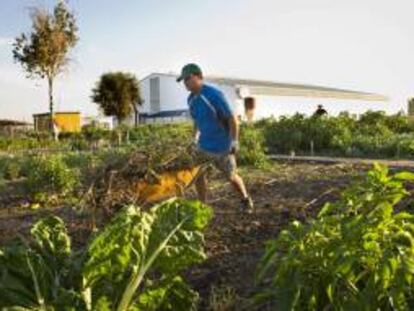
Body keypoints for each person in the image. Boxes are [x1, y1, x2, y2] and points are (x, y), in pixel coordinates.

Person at [177, 63, 254, 212]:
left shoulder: (213, 95)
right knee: (198, 175)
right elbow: (197, 121)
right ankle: (203, 205)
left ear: (199, 77)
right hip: (203, 146)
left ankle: (245, 199)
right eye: (183, 80)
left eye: (188, 78)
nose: (185, 83)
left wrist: (234, 141)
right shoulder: (191, 99)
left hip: (222, 146)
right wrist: (194, 138)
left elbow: (232, 119)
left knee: (231, 177)